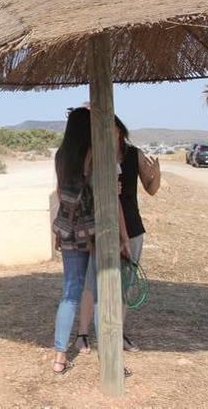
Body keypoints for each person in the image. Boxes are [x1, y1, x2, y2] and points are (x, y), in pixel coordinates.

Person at [51, 107, 131, 375]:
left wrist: (57, 232)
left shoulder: (60, 156)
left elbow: (61, 193)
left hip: (69, 231)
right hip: (96, 231)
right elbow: (110, 197)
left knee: (70, 293)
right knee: (99, 294)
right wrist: (123, 236)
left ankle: (60, 356)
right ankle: (108, 358)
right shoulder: (98, 154)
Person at [74, 116, 161, 354]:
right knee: (93, 281)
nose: (102, 132)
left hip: (131, 227)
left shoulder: (135, 155)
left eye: (108, 128)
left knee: (125, 282)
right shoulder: (94, 153)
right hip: (100, 226)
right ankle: (82, 334)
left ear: (120, 130)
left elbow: (151, 189)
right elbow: (82, 184)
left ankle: (118, 333)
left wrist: (157, 176)